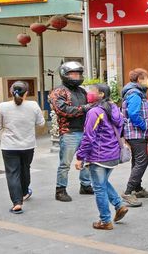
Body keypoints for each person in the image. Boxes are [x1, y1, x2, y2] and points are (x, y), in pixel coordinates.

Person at [75, 84, 129, 230]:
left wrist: (80, 157)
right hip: (113, 154)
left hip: (99, 156)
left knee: (98, 187)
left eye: (92, 91)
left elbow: (88, 137)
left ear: (101, 94)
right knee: (103, 183)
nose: (88, 94)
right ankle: (118, 205)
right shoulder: (114, 109)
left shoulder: (95, 112)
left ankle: (105, 220)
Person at [0, 81, 45, 214]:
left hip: (9, 146)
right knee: (25, 169)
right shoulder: (33, 105)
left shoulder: (2, 106)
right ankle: (24, 192)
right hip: (28, 145)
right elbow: (41, 123)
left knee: (12, 173)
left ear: (11, 92)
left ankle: (17, 203)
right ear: (26, 92)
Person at [49, 61, 93, 202]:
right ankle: (60, 190)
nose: (76, 76)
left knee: (86, 160)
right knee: (65, 163)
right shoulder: (59, 91)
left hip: (84, 130)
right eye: (73, 74)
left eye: (78, 73)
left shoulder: (81, 91)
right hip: (69, 132)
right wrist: (85, 108)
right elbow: (63, 110)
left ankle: (85, 185)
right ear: (64, 75)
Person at [121, 68, 148, 207]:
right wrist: (144, 125)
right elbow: (134, 114)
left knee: (137, 161)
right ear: (139, 80)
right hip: (136, 133)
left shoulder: (137, 92)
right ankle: (128, 192)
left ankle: (137, 188)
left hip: (136, 133)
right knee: (142, 161)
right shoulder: (135, 94)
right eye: (145, 78)